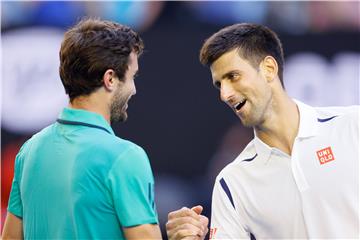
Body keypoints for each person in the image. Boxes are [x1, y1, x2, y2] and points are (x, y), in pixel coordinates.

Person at [166, 23, 359, 239]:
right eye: (219, 84)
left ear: (269, 69)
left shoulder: (352, 126)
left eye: (233, 76)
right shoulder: (232, 182)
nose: (225, 94)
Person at [2, 18, 162, 239]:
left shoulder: (29, 151)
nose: (133, 89)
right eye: (132, 77)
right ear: (110, 79)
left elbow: (9, 238)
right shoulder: (125, 157)